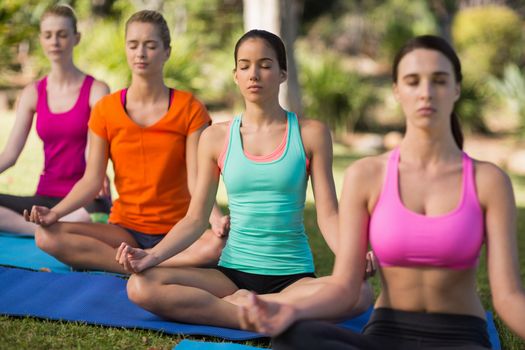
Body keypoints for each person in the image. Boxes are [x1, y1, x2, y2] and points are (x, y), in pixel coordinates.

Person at [238, 35, 525, 349]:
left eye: (439, 81)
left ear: (456, 89)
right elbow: (346, 287)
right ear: (397, 91)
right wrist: (288, 311)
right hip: (386, 334)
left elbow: (508, 297)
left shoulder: (488, 181)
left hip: (459, 338)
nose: (426, 93)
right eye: (413, 81)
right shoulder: (367, 175)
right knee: (295, 337)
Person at [115, 29, 373, 329]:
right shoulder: (215, 138)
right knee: (140, 285)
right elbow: (195, 219)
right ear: (235, 74)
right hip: (229, 277)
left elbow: (328, 214)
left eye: (265, 65)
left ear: (282, 74)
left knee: (360, 293)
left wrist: (352, 257)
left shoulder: (310, 133)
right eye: (245, 65)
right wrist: (151, 256)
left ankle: (243, 311)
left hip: (293, 279)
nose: (254, 74)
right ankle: (261, 313)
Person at [25, 10, 229, 273]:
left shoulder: (190, 108)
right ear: (126, 49)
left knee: (218, 246)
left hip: (178, 232)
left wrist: (216, 219)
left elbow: (196, 180)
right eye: (133, 45)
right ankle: (144, 261)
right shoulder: (105, 110)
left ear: (166, 51)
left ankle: (145, 260)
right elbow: (91, 180)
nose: (140, 53)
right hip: (124, 231)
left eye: (150, 45)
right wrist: (55, 213)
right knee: (45, 235)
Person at [0, 4, 111, 235]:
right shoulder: (33, 92)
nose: (55, 42)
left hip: (85, 199)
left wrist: (99, 176)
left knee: (95, 216)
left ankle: (45, 227)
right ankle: (42, 228)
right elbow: (10, 155)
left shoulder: (96, 90)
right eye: (48, 35)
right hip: (44, 197)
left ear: (76, 38)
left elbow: (95, 152)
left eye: (62, 34)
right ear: (41, 39)